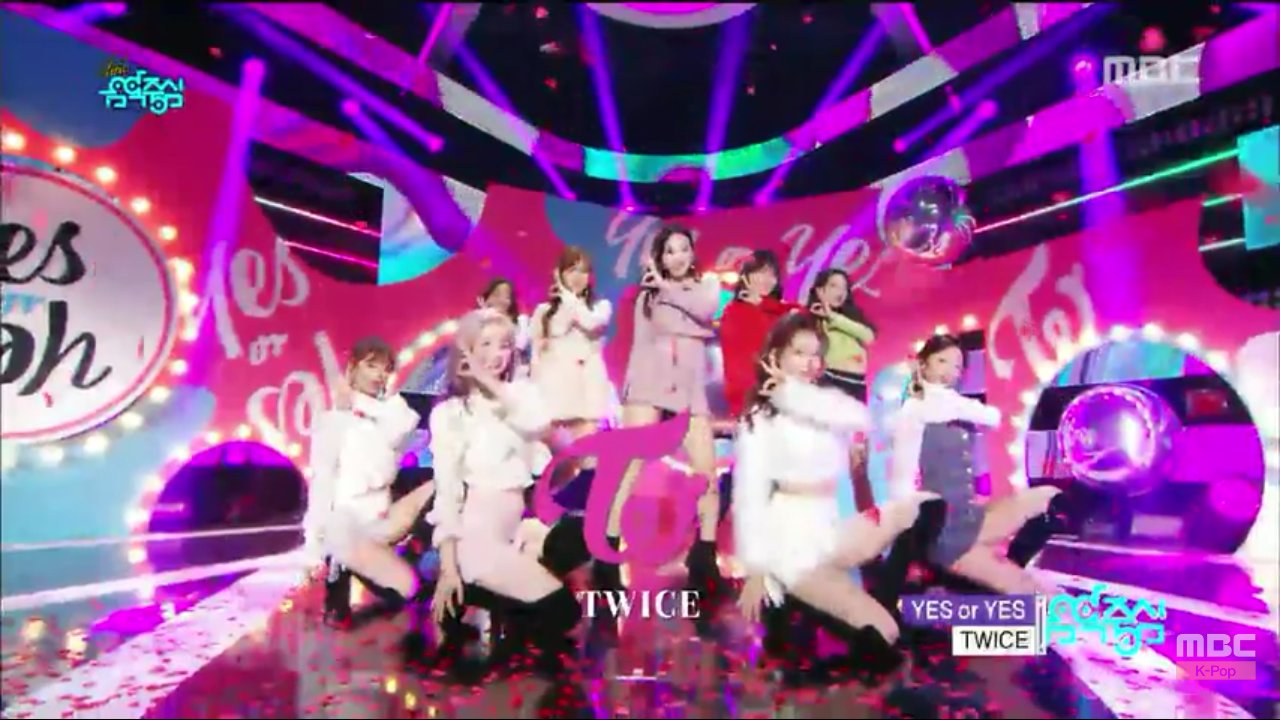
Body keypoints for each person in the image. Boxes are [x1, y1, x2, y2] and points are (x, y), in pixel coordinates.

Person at [733, 313, 939, 678]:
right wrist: (755, 571)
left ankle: (862, 608)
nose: (809, 363)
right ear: (775, 356)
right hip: (792, 548)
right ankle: (807, 615)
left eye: (815, 355)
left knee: (923, 506)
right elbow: (750, 496)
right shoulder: (758, 418)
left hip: (832, 534)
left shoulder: (818, 404)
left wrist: (792, 394)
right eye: (799, 353)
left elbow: (857, 416)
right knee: (884, 635)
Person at [416, 309, 584, 678]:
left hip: (517, 530)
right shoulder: (450, 414)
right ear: (466, 351)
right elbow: (447, 493)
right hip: (477, 538)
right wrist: (448, 568)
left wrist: (490, 384)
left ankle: (500, 622)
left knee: (580, 537)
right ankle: (472, 603)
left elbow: (540, 425)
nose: (496, 355)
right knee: (563, 612)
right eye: (486, 345)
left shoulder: (520, 397)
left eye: (504, 345)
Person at [887, 334, 1062, 595]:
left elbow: (992, 417)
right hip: (946, 533)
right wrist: (908, 541)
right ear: (923, 364)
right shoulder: (914, 410)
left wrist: (957, 404)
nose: (950, 371)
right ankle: (963, 579)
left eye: (957, 366)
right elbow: (902, 476)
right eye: (942, 361)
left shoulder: (954, 404)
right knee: (1033, 590)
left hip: (969, 519)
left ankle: (999, 568)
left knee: (1049, 497)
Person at [603, 224, 724, 596]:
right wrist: (631, 393)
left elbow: (705, 309)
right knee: (628, 469)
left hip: (689, 390)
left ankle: (704, 558)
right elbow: (644, 343)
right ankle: (606, 556)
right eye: (669, 251)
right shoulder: (648, 295)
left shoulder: (707, 286)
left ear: (692, 253)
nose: (678, 257)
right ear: (660, 257)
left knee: (707, 475)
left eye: (683, 248)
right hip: (650, 384)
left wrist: (669, 294)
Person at [304, 337, 435, 627]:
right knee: (342, 530)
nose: (379, 375)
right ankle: (338, 591)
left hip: (384, 520)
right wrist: (313, 547)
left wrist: (358, 403)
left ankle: (415, 559)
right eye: (371, 366)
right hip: (348, 525)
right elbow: (322, 483)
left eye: (385, 369)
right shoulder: (332, 421)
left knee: (439, 486)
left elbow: (399, 431)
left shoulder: (390, 414)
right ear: (353, 367)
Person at [529, 247, 614, 489]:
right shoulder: (543, 312)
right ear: (559, 273)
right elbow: (537, 353)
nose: (578, 277)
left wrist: (568, 296)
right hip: (553, 393)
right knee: (554, 467)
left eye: (583, 271)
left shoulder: (600, 307)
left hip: (586, 393)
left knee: (589, 464)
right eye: (572, 270)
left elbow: (589, 323)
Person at [718, 250, 800, 418]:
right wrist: (757, 308)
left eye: (772, 275)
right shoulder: (733, 311)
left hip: (783, 393)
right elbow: (758, 347)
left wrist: (763, 304)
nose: (767, 279)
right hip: (750, 399)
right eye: (761, 272)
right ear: (746, 277)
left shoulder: (779, 310)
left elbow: (803, 316)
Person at [477, 278, 532, 376]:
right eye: (496, 295)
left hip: (515, 374)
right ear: (487, 298)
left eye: (506, 296)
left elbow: (520, 345)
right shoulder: (478, 320)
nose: (501, 300)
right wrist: (486, 316)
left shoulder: (521, 321)